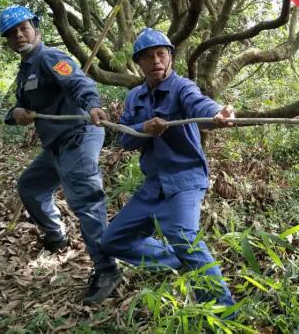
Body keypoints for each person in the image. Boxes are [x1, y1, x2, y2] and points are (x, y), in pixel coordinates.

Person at [101, 28, 236, 307]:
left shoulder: (181, 87)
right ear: (139, 62)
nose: (156, 61)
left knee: (184, 236)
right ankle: (176, 261)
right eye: (148, 57)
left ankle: (224, 312)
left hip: (185, 179)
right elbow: (125, 138)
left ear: (171, 57)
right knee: (113, 240)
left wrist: (216, 114)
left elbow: (199, 105)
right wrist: (144, 128)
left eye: (161, 54)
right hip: (154, 184)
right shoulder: (134, 97)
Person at [0, 5, 121, 305]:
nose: (19, 35)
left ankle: (107, 269)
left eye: (23, 28)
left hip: (79, 135)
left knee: (85, 199)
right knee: (30, 186)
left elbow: (79, 82)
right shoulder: (26, 69)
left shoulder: (49, 57)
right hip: (54, 145)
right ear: (8, 41)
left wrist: (92, 104)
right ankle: (56, 235)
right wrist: (15, 115)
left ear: (35, 28)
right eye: (12, 33)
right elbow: (19, 108)